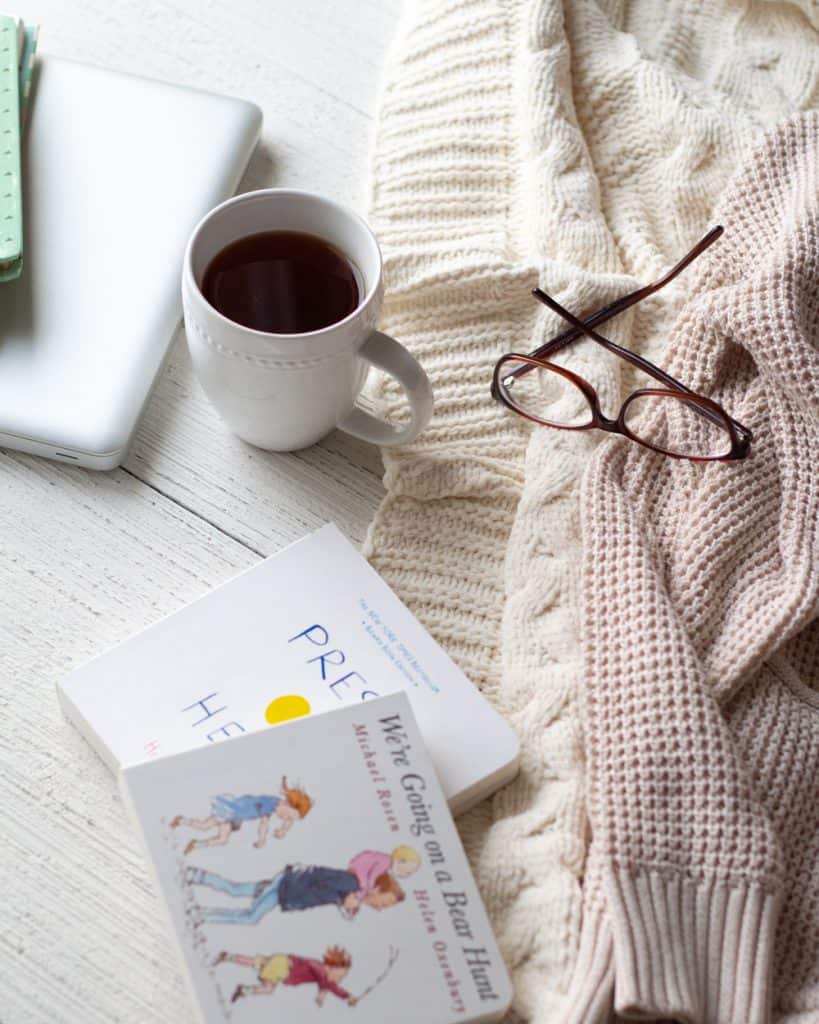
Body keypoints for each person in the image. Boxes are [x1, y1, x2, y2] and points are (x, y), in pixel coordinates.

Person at [187, 861, 405, 925]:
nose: (381, 907)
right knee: (251, 917)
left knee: (237, 889)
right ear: (377, 888)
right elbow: (317, 875)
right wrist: (342, 899)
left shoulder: (351, 892)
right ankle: (201, 915)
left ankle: (197, 875)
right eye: (384, 902)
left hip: (286, 886)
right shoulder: (351, 882)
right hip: (286, 886)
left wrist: (343, 901)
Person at [170, 776, 312, 854]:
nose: (286, 819)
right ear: (287, 804)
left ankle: (193, 841)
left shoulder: (278, 806)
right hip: (230, 811)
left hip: (235, 816)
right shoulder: (269, 804)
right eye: (288, 816)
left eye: (290, 818)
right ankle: (183, 823)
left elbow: (289, 821)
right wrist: (262, 840)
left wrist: (284, 829)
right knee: (205, 827)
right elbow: (264, 824)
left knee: (218, 836)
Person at [214, 945, 358, 1007]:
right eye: (340, 975)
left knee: (254, 962)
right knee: (268, 988)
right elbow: (327, 984)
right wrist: (347, 996)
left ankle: (228, 956)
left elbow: (324, 983)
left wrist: (321, 995)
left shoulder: (320, 970)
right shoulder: (319, 969)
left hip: (281, 961)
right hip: (282, 967)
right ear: (332, 968)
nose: (340, 979)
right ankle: (243, 990)